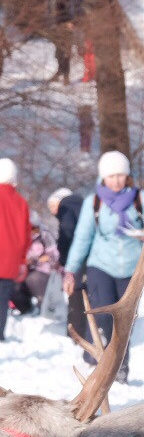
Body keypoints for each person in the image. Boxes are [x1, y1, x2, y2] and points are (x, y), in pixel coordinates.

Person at [64, 151, 143, 381]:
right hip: (101, 265)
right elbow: (82, 238)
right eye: (111, 176)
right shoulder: (94, 202)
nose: (116, 180)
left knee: (125, 319)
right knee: (102, 314)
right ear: (103, 178)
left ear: (127, 176)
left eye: (120, 175)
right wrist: (70, 269)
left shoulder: (139, 199)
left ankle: (121, 367)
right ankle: (96, 360)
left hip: (132, 268)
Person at [0, 158, 30, 342]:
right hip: (10, 257)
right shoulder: (21, 203)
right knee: (1, 299)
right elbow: (26, 234)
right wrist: (22, 259)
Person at [53, 185, 87, 335]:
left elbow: (66, 231)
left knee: (75, 292)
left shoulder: (65, 207)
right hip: (94, 256)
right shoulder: (84, 204)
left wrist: (63, 258)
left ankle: (75, 331)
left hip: (75, 254)